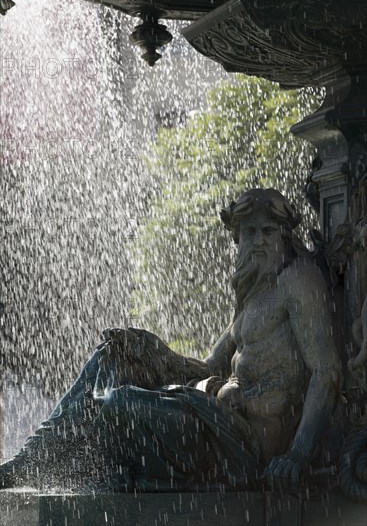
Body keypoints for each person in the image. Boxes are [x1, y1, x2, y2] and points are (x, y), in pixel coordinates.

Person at [0, 188, 341, 492]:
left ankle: (83, 476)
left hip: (244, 446)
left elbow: (327, 372)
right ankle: (31, 461)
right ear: (238, 238)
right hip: (213, 413)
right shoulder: (254, 291)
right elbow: (208, 365)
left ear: (284, 234)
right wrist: (151, 350)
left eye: (269, 231)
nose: (260, 241)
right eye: (250, 232)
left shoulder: (299, 281)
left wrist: (297, 455)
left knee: (120, 405)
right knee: (115, 354)